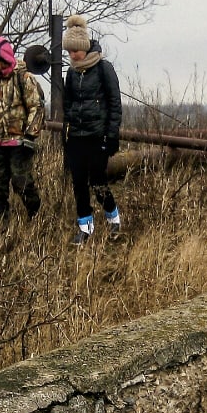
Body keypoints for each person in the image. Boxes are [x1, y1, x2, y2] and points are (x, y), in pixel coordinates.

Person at [61, 15, 123, 245]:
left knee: (98, 181)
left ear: (84, 48)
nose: (72, 55)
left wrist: (111, 135)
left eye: (75, 51)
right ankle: (85, 227)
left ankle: (113, 218)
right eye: (69, 52)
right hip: (76, 137)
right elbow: (67, 106)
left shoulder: (104, 68)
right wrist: (66, 134)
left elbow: (115, 104)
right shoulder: (71, 73)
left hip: (98, 136)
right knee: (78, 183)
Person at [0, 35, 45, 226]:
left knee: (21, 183)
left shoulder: (24, 78)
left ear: (4, 59)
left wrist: (30, 136)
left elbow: (37, 108)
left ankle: (36, 215)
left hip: (19, 143)